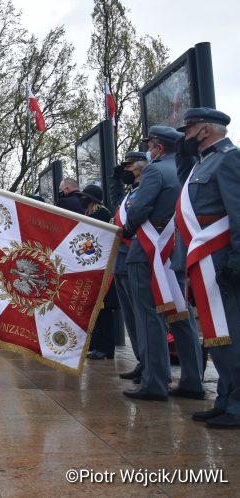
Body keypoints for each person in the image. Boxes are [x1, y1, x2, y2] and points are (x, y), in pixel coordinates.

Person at [121, 125, 204, 402]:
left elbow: (140, 209)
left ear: (157, 148)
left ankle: (155, 382)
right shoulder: (186, 169)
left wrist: (127, 229)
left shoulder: (154, 171)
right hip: (177, 251)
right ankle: (193, 380)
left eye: (150, 145)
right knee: (181, 315)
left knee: (149, 317)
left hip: (148, 252)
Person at [176, 108, 240, 428]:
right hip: (205, 258)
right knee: (216, 334)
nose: (183, 137)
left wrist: (236, 261)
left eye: (187, 131)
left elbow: (237, 212)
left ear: (204, 131)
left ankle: (238, 405)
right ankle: (226, 399)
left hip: (221, 257)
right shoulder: (201, 164)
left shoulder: (229, 159)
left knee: (230, 333)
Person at [112, 151, 148, 382]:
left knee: (142, 317)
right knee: (132, 320)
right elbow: (117, 208)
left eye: (128, 166)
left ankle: (151, 365)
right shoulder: (130, 194)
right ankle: (142, 361)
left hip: (137, 255)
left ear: (140, 167)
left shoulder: (147, 189)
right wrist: (115, 182)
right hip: (122, 259)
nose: (125, 169)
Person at [77, 184, 118, 360]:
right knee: (98, 311)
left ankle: (106, 348)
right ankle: (98, 345)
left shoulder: (100, 214)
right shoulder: (90, 213)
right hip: (94, 267)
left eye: (84, 196)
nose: (81, 199)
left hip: (103, 268)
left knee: (105, 311)